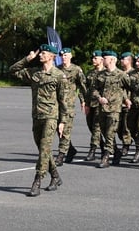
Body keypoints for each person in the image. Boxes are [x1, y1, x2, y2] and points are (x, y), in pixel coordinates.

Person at [10, 44, 68, 197]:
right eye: (40, 53)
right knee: (44, 150)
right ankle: (55, 176)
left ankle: (37, 180)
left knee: (44, 148)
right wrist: (26, 59)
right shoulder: (34, 73)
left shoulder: (59, 76)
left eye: (43, 53)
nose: (40, 55)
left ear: (52, 56)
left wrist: (62, 122)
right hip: (36, 116)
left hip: (51, 117)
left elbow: (64, 101)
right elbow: (13, 71)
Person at [55, 47, 87, 166]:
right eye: (62, 56)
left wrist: (83, 101)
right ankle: (71, 150)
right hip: (57, 105)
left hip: (69, 106)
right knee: (58, 130)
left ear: (70, 56)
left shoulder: (76, 70)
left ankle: (61, 155)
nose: (63, 57)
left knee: (65, 130)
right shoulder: (57, 70)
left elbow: (83, 87)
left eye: (66, 55)